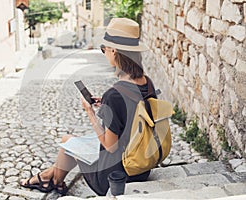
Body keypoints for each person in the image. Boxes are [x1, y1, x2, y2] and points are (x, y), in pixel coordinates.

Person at [19, 17, 157, 196]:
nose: (104, 53)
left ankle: (49, 179)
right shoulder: (147, 82)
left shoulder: (115, 94)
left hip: (114, 175)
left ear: (114, 51)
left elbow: (110, 146)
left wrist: (90, 112)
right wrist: (106, 104)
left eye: (103, 49)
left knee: (68, 142)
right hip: (141, 165)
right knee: (69, 140)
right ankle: (52, 179)